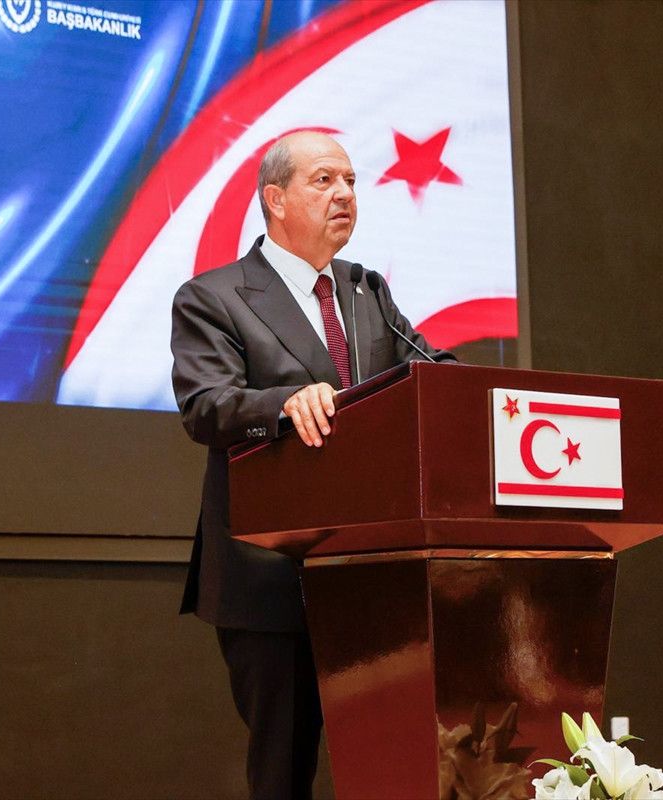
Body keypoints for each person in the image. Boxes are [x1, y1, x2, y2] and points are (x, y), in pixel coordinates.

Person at [169, 130, 453, 799]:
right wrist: (285, 402)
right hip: (271, 574)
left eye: (350, 180)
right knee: (284, 772)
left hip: (373, 575)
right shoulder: (215, 296)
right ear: (275, 199)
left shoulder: (366, 290)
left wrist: (470, 393)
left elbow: (429, 370)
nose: (345, 193)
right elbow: (206, 406)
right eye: (324, 180)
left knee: (392, 765)